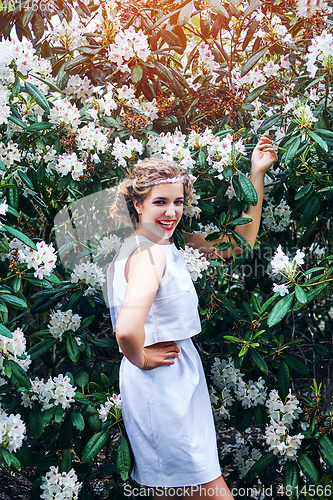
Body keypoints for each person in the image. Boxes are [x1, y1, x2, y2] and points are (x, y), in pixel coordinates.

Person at [106, 133, 277, 500]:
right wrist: (141, 356)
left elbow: (237, 244)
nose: (171, 212)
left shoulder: (163, 244)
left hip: (175, 383)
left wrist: (256, 174)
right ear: (138, 204)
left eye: (178, 202)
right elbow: (126, 331)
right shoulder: (150, 254)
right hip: (162, 387)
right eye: (160, 202)